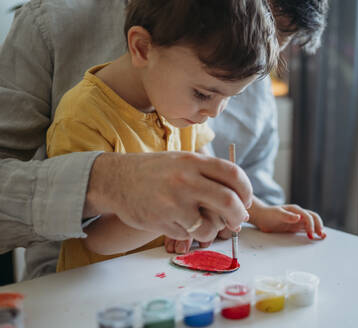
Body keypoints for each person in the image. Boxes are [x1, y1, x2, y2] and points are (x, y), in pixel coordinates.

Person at [0, 0, 328, 278]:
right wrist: (174, 214)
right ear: (142, 48)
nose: (215, 112)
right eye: (203, 92)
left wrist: (260, 213)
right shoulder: (84, 112)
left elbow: (222, 182)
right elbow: (96, 239)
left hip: (168, 274)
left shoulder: (180, 105)